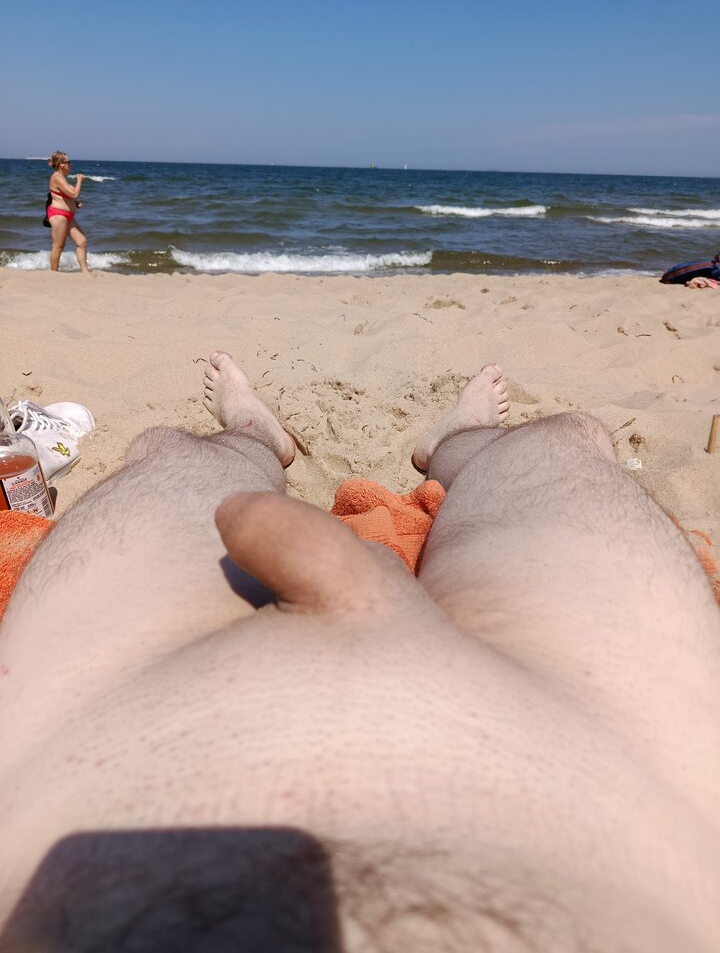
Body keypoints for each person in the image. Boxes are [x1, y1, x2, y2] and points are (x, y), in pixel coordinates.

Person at [0, 352, 718, 952]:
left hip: (93, 731)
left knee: (173, 456)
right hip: (620, 767)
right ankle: (461, 442)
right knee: (560, 444)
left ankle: (252, 438)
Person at [46, 151, 89, 274]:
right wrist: (79, 180)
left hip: (68, 216)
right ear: (61, 165)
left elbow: (64, 195)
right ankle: (53, 274)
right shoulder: (56, 177)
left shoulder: (62, 178)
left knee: (82, 242)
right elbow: (74, 194)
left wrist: (74, 203)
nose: (70, 164)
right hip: (58, 215)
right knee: (58, 246)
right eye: (68, 162)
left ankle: (85, 273)